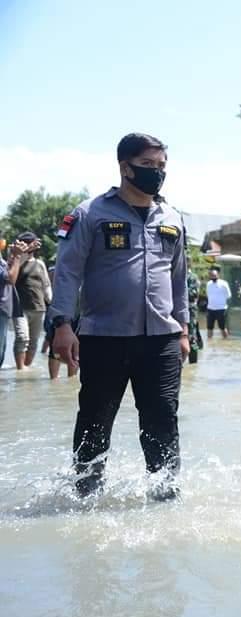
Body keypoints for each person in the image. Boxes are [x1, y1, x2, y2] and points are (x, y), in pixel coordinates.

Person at [49, 132, 189, 500]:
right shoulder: (89, 213)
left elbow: (179, 278)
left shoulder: (172, 217)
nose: (156, 173)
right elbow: (67, 272)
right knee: (95, 421)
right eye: (147, 165)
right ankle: (85, 496)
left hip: (161, 340)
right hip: (103, 338)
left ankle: (164, 498)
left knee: (162, 421)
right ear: (125, 167)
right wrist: (62, 324)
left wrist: (184, 329)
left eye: (161, 166)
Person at [12, 232, 50, 370]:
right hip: (20, 307)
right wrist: (26, 251)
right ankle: (20, 369)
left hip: (39, 308)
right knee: (22, 338)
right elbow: (12, 271)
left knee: (33, 342)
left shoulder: (40, 263)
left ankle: (26, 369)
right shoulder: (16, 260)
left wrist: (51, 302)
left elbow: (46, 285)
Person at [0, 237, 19, 369]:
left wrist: (16, 254)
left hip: (4, 311)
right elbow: (11, 278)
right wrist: (17, 256)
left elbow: (9, 270)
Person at [205, 267, 231, 339]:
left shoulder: (224, 283)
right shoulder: (208, 284)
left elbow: (228, 295)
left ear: (218, 275)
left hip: (221, 309)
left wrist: (221, 301)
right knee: (209, 328)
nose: (213, 277)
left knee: (222, 328)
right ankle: (209, 343)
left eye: (214, 275)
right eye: (212, 275)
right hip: (210, 309)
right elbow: (207, 295)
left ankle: (226, 342)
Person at [186, 261, 204, 363]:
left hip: (190, 310)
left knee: (192, 336)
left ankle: (193, 363)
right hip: (176, 310)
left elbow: (194, 294)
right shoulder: (173, 274)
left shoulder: (192, 277)